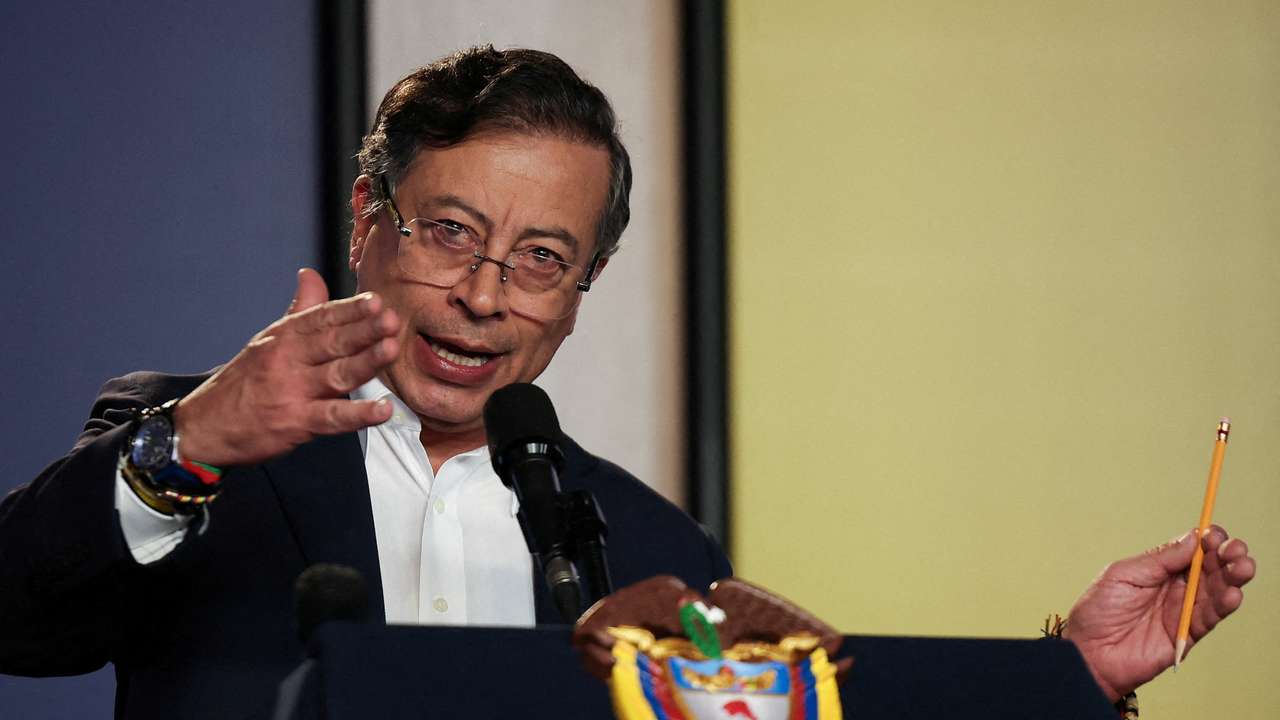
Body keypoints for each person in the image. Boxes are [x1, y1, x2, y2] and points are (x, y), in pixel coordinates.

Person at [0, 46, 1256, 719]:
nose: (487, 295)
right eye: (449, 232)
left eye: (541, 258)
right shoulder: (182, 436)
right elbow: (22, 626)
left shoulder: (647, 541)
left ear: (580, 287)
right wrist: (193, 444)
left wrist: (1063, 679)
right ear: (364, 219)